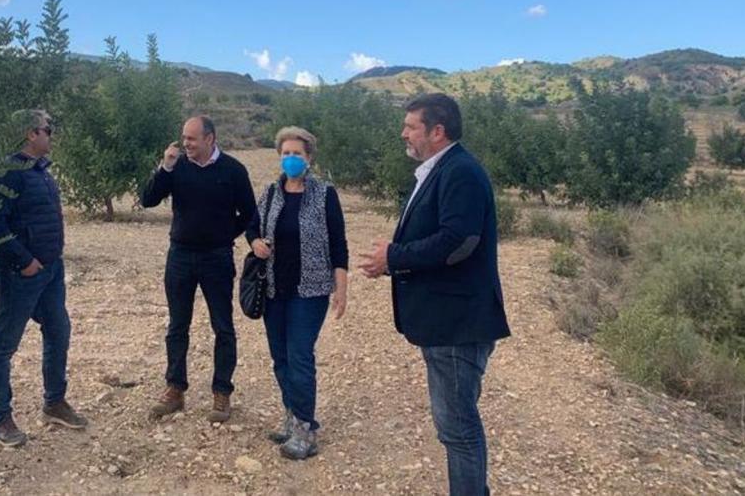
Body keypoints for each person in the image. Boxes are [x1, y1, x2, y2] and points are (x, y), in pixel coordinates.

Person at [357, 93, 511, 496]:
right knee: (455, 427)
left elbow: (459, 241)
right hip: (448, 324)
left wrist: (394, 257)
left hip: (457, 326)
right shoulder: (443, 169)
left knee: (458, 431)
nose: (403, 133)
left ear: (437, 131)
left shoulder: (460, 171)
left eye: (411, 126)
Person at [140, 115, 258, 422]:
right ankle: (175, 389)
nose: (185, 144)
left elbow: (249, 214)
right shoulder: (176, 166)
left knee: (223, 326)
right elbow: (148, 199)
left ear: (210, 139)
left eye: (191, 139)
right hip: (180, 256)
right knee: (177, 325)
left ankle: (222, 392)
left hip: (217, 258)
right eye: (183, 138)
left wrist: (223, 235)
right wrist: (164, 167)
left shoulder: (233, 170)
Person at [0, 109, 87, 448]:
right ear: (31, 134)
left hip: (51, 271)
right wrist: (24, 260)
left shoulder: (41, 171)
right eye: (48, 129)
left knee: (59, 330)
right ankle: (1, 419)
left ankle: (54, 403)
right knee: (4, 345)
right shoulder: (9, 171)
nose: (51, 135)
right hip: (21, 274)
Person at [245, 126, 348, 460]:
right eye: (286, 153)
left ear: (309, 158)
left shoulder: (324, 194)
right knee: (281, 357)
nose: (291, 159)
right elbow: (252, 226)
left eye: (297, 154)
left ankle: (306, 428)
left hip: (311, 290)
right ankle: (291, 417)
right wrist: (255, 243)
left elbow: (339, 243)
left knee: (300, 357)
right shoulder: (271, 193)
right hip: (274, 289)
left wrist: (341, 289)